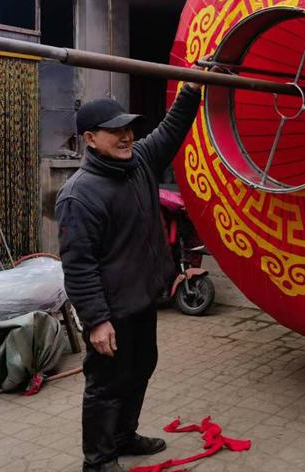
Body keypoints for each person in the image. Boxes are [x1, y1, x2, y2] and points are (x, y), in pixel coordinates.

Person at [56, 81, 202, 472]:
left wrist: (191, 90)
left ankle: (124, 436)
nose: (126, 137)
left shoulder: (138, 164)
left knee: (140, 369)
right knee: (106, 385)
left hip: (142, 300)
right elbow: (78, 265)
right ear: (90, 139)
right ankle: (99, 461)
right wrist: (97, 321)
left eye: (128, 129)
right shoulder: (79, 195)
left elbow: (171, 129)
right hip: (112, 311)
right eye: (115, 131)